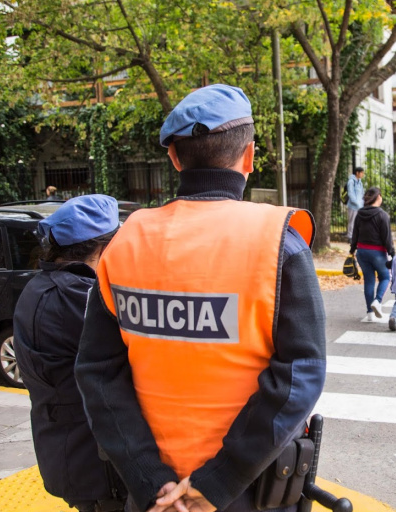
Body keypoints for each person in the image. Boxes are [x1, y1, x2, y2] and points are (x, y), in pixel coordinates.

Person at [74, 84, 326, 512]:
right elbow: (300, 375)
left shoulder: (124, 242)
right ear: (249, 156)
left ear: (174, 157)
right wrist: (217, 482)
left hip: (154, 495)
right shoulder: (278, 242)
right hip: (247, 491)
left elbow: (98, 374)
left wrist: (150, 480)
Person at [13, 194, 126, 512]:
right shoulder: (78, 297)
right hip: (94, 465)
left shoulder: (42, 285)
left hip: (67, 453)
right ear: (103, 248)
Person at [349, 186, 394, 322]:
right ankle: (377, 301)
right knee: (385, 277)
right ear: (378, 197)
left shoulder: (359, 214)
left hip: (362, 252)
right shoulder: (382, 215)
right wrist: (392, 253)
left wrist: (352, 250)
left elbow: (355, 234)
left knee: (369, 280)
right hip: (378, 252)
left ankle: (369, 313)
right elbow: (387, 237)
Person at [345, 166, 365, 240]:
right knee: (352, 222)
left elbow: (362, 193)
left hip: (360, 206)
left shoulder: (360, 182)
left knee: (359, 222)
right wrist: (357, 203)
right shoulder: (351, 181)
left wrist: (362, 203)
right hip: (353, 206)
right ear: (357, 173)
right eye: (362, 173)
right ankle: (350, 237)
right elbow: (351, 194)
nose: (363, 174)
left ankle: (357, 236)